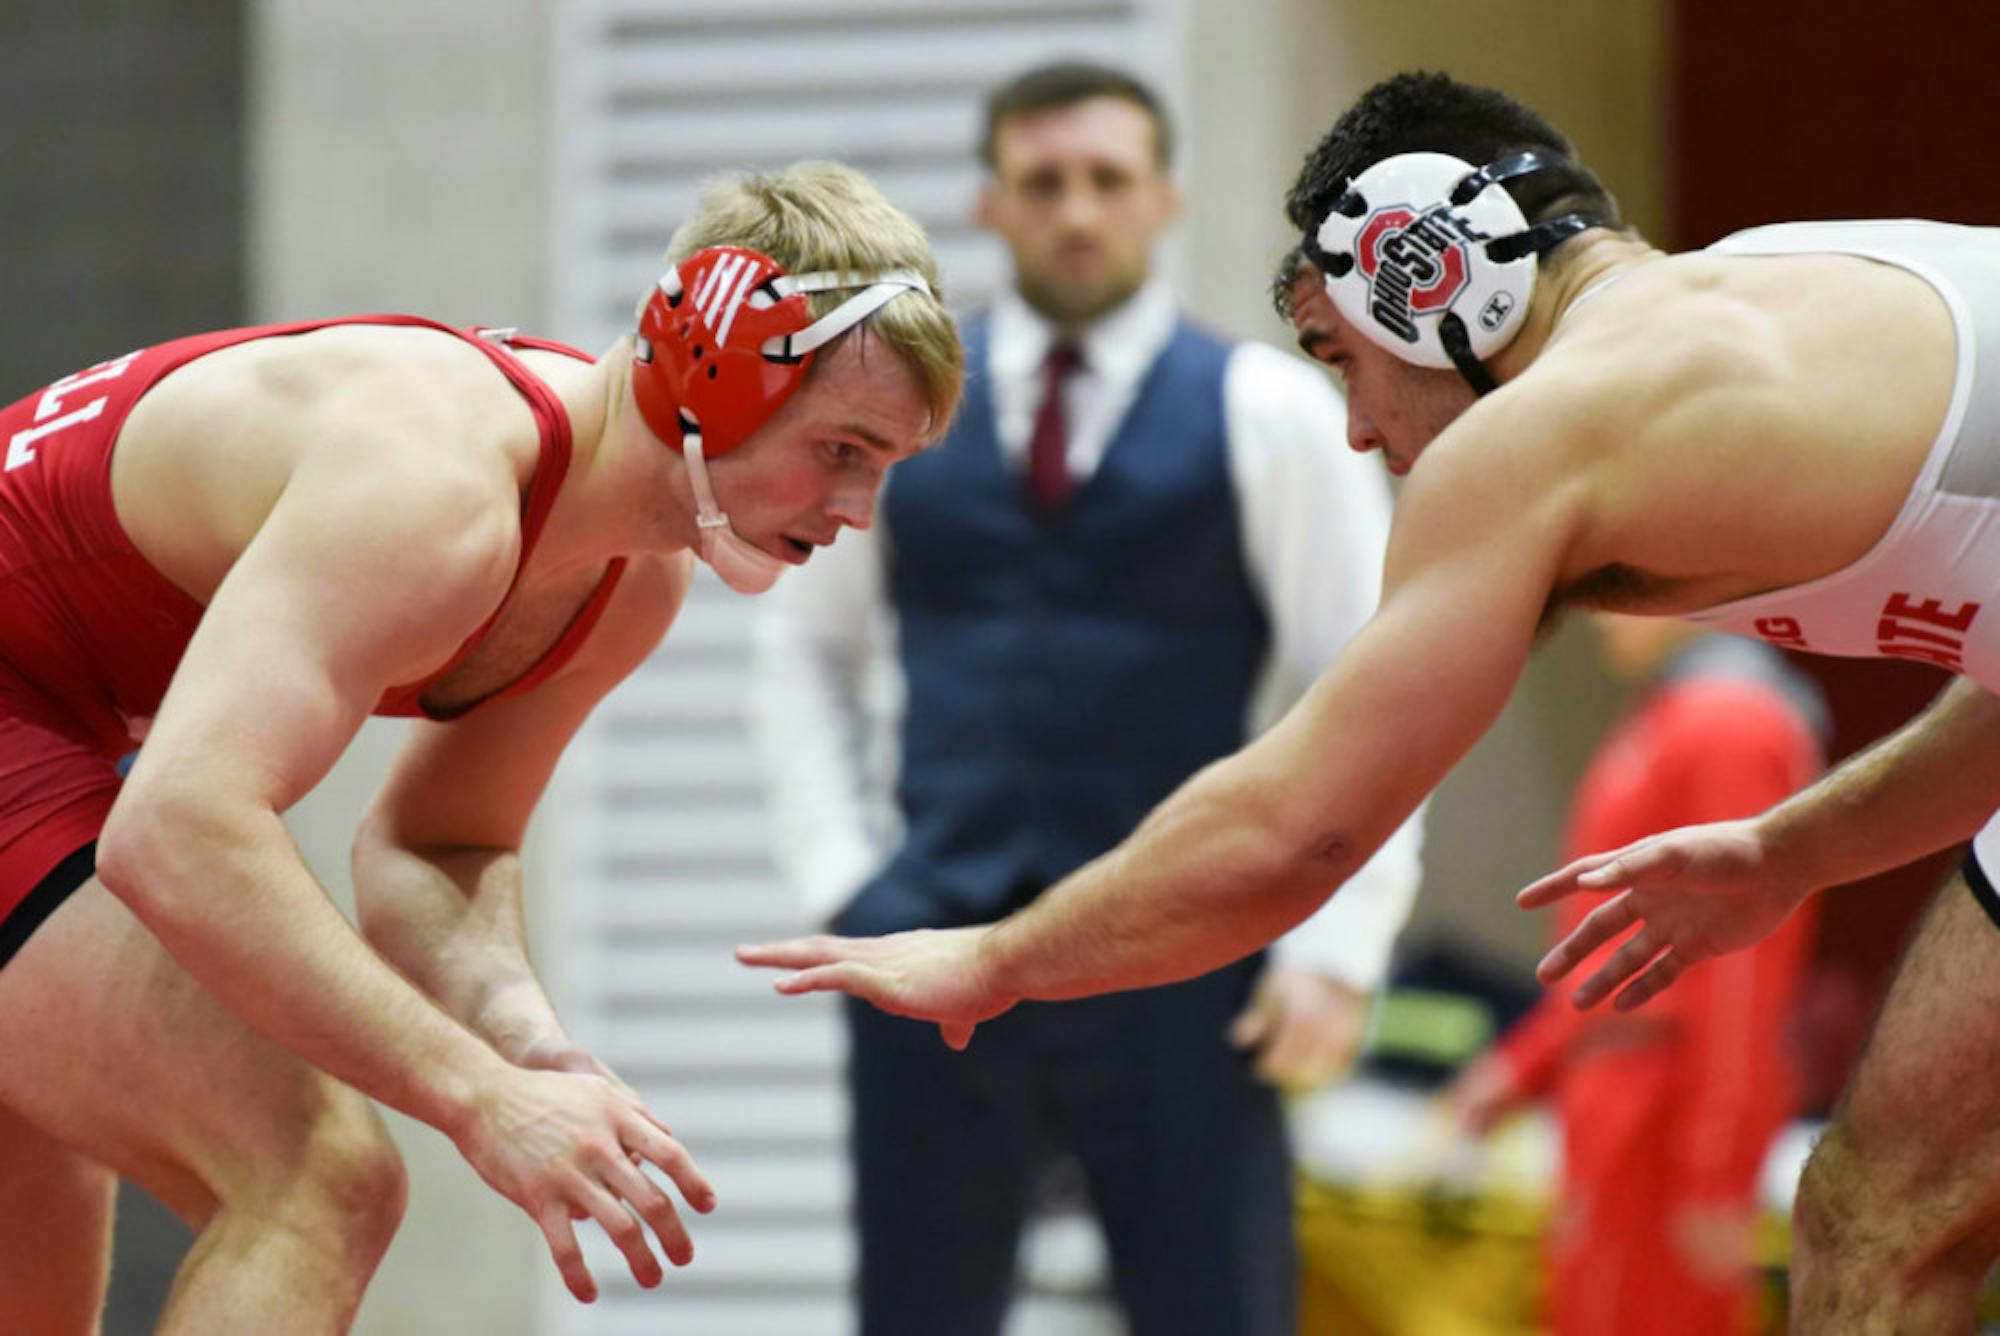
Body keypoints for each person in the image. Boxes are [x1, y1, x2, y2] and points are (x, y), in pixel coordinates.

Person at [736, 69, 2000, 1329]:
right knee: (1877, 1212)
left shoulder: (1545, 430)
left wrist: (997, 959)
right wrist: (1796, 849)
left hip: (1157, 1003)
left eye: (1342, 355)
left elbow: (1300, 824)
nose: (1352, 428)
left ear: (1433, 274)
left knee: (1882, 1220)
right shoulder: (1781, 287)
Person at [0, 160, 961, 1333]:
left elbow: (432, 846)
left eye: (885, 471)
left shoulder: (626, 586)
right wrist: (475, 1096)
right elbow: (179, 832)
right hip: (48, 726)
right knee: (318, 1180)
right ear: (715, 361)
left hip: (57, 722)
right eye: (844, 450)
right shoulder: (437, 484)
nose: (857, 513)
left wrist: (529, 1049)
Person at [747, 62, 1424, 1336]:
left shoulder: (1264, 410)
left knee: (1214, 1310)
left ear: (1161, 197)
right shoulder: (898, 418)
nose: (1075, 211)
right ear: (989, 206)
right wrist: (843, 880)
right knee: (915, 1313)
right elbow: (801, 650)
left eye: (1105, 180)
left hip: (1185, 962)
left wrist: (1337, 945)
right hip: (931, 952)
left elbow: (1376, 683)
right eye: (1041, 182)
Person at [1448, 617, 1826, 1335]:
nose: (1595, 609)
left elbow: (1740, 964)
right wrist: (1523, 1066)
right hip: (1622, 1106)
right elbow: (1617, 949)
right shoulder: (1673, 716)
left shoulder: (1731, 722)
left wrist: (1714, 1160)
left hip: (1660, 1115)